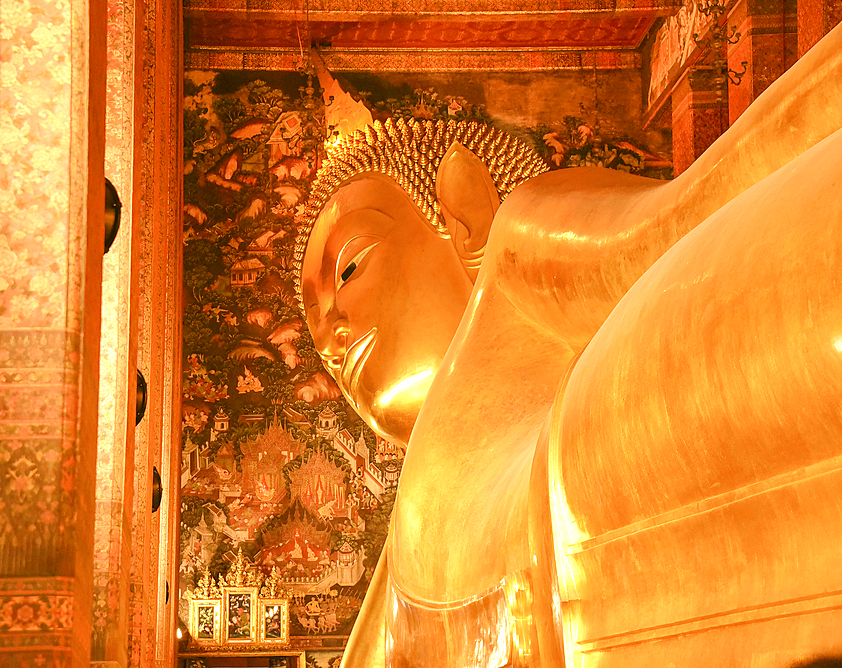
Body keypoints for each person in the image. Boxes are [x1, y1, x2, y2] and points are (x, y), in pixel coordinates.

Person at [296, 24, 842, 668]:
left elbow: (679, 220)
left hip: (603, 485)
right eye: (317, 327)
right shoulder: (399, 561)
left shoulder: (512, 253)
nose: (332, 336)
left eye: (352, 267)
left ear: (458, 214)